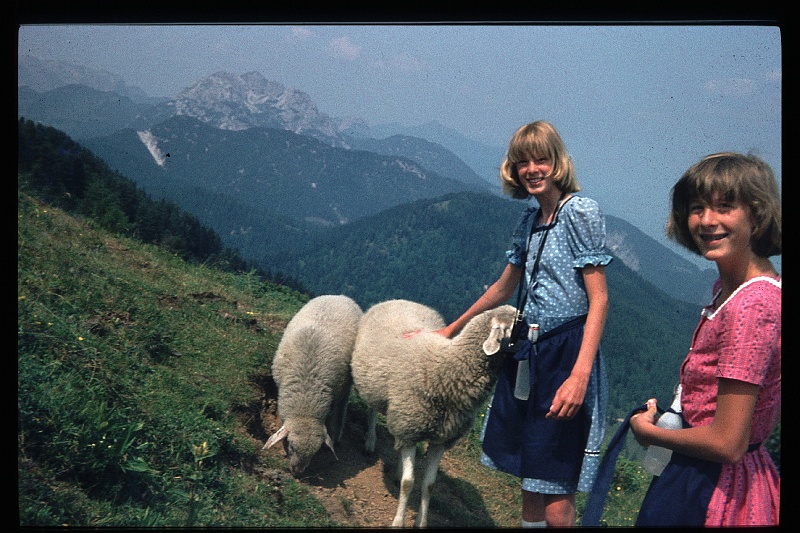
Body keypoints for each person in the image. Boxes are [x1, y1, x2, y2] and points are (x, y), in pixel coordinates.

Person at [417, 120, 612, 527]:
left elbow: (599, 299)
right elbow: (504, 288)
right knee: (531, 477)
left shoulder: (579, 212)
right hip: (530, 350)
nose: (532, 169)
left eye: (541, 159)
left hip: (565, 353)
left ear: (557, 162)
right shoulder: (531, 220)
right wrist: (451, 329)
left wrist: (579, 376)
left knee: (556, 492)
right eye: (523, 162)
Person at [629, 152, 781, 526]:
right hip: (705, 472)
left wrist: (649, 433)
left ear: (757, 215)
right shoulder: (731, 290)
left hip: (714, 488)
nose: (707, 220)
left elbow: (728, 443)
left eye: (724, 207)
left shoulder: (752, 306)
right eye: (697, 208)